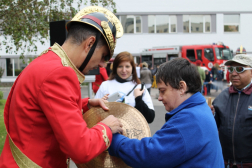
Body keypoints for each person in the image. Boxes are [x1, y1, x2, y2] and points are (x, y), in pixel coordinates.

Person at [0, 6, 124, 168]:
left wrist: (84, 103)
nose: (102, 64)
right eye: (103, 56)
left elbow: (41, 107)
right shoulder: (60, 74)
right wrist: (106, 127)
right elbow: (80, 148)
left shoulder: (48, 61)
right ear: (90, 43)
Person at [109, 58, 224, 168]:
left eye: (163, 91)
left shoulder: (189, 119)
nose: (159, 98)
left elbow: (149, 155)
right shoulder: (199, 108)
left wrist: (112, 138)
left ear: (182, 87)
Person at [212, 54, 252, 168]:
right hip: (225, 163)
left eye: (240, 69)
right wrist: (211, 115)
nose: (234, 73)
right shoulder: (221, 97)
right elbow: (213, 128)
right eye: (231, 69)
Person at [95, 52, 155, 123]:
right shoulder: (105, 85)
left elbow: (150, 118)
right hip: (109, 132)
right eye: (120, 66)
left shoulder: (139, 87)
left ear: (132, 68)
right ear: (115, 68)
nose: (124, 70)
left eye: (127, 66)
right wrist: (106, 105)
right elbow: (94, 114)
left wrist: (138, 99)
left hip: (134, 132)